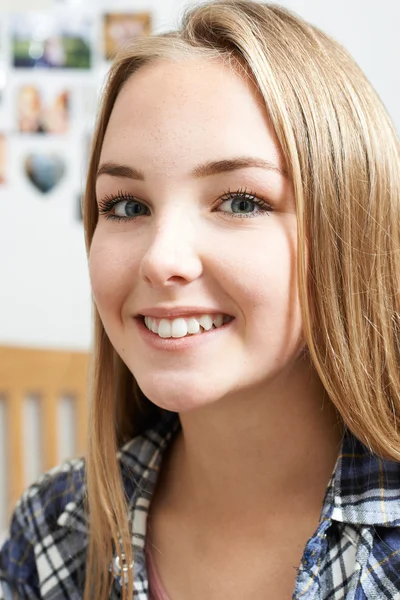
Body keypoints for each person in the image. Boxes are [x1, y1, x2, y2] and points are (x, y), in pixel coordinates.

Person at [1, 0, 400, 598]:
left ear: (352, 228)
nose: (161, 259)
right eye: (127, 206)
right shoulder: (52, 530)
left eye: (240, 202)